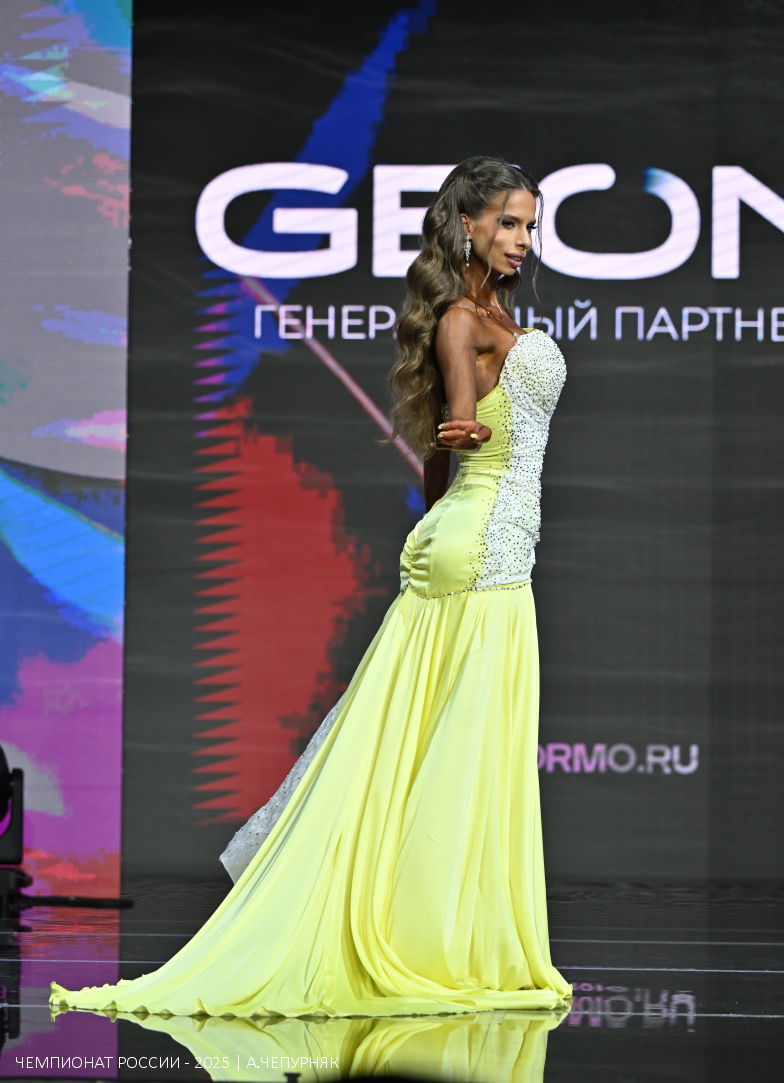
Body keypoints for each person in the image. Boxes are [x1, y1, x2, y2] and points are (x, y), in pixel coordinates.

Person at [51, 155, 571, 1020]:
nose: (522, 240)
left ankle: (440, 935)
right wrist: (458, 436)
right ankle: (428, 941)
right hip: (479, 550)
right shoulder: (459, 321)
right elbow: (456, 422)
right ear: (467, 225)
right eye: (508, 222)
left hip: (486, 542)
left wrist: (437, 499)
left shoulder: (496, 317)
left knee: (437, 746)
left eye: (530, 225)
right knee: (447, 750)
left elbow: (446, 447)